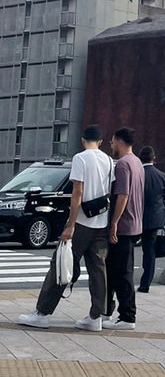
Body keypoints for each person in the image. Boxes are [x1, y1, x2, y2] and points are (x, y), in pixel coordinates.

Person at [19, 125, 114, 332]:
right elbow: (109, 191)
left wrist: (70, 225)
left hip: (81, 223)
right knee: (99, 270)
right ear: (100, 142)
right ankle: (96, 316)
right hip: (101, 223)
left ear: (83, 140)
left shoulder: (81, 158)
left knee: (61, 265)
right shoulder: (108, 160)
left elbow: (77, 192)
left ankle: (42, 313)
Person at [103, 127, 145, 330]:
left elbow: (122, 195)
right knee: (115, 269)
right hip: (135, 223)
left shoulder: (122, 165)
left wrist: (114, 224)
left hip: (124, 225)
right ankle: (107, 311)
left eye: (112, 142)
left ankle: (127, 316)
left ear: (119, 142)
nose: (111, 146)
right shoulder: (137, 162)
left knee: (121, 272)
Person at [137, 145, 165, 293]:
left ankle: (127, 281)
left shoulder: (138, 174)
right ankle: (145, 284)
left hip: (137, 216)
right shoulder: (162, 176)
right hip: (155, 218)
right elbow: (163, 198)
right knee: (149, 252)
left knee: (128, 248)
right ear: (154, 158)